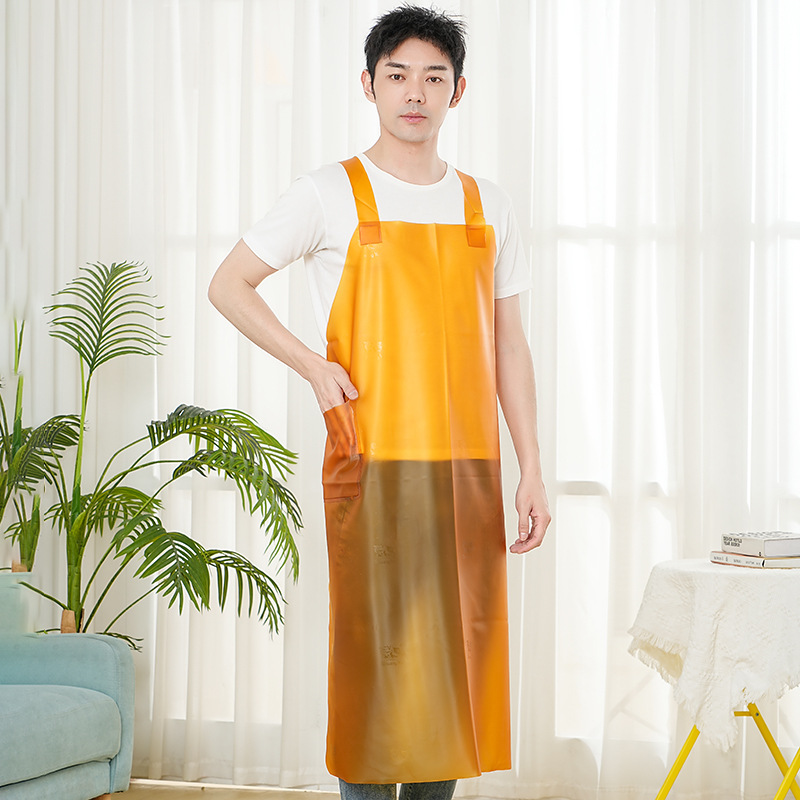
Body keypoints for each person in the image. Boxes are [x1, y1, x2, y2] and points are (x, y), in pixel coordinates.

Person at [208, 6, 550, 800]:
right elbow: (229, 284)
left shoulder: (488, 205)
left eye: (433, 77)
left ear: (458, 91)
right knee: (374, 663)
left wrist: (531, 467)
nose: (414, 93)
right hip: (372, 458)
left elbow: (509, 345)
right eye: (398, 75)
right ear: (369, 85)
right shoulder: (327, 192)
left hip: (467, 470)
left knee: (451, 665)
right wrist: (310, 364)